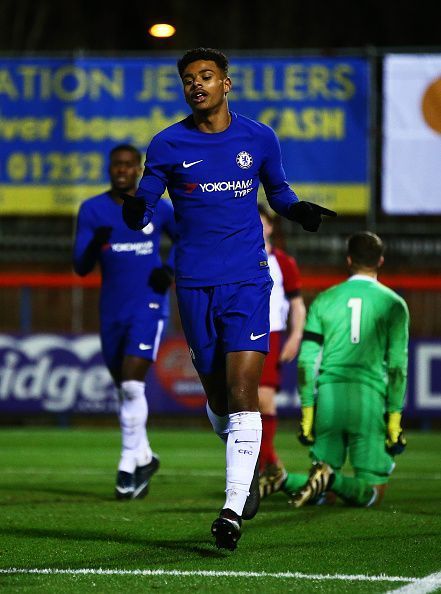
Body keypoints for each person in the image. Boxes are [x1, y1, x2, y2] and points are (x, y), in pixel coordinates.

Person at [120, 47, 336, 550]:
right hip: (193, 282)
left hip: (248, 279)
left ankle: (232, 508)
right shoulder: (168, 143)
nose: (197, 84)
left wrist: (297, 209)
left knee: (244, 392)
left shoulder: (258, 137)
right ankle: (248, 468)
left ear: (226, 84)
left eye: (206, 76)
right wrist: (136, 212)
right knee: (218, 398)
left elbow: (278, 193)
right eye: (189, 79)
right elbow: (148, 200)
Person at [262, 231, 409, 508]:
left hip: (329, 400)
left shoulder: (325, 300)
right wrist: (394, 419)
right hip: (369, 399)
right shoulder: (394, 304)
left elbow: (306, 362)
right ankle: (329, 478)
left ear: (349, 260)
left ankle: (281, 479)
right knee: (372, 493)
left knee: (326, 493)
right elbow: (398, 368)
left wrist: (308, 413)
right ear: (380, 261)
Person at [73, 143, 176, 501]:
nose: (121, 170)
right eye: (116, 165)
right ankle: (144, 457)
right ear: (109, 169)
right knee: (124, 388)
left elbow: (186, 238)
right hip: (112, 310)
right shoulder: (92, 210)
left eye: (128, 165)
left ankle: (126, 463)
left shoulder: (157, 208)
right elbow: (81, 266)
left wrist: (169, 269)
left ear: (138, 170)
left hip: (148, 306)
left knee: (133, 385)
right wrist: (93, 245)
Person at [257, 204, 306, 487]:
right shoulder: (236, 258)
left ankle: (268, 464)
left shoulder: (283, 262)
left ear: (271, 226)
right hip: (240, 333)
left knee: (264, 399)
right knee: (241, 402)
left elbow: (297, 305)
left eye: (261, 221)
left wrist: (296, 335)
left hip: (270, 335)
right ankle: (268, 465)